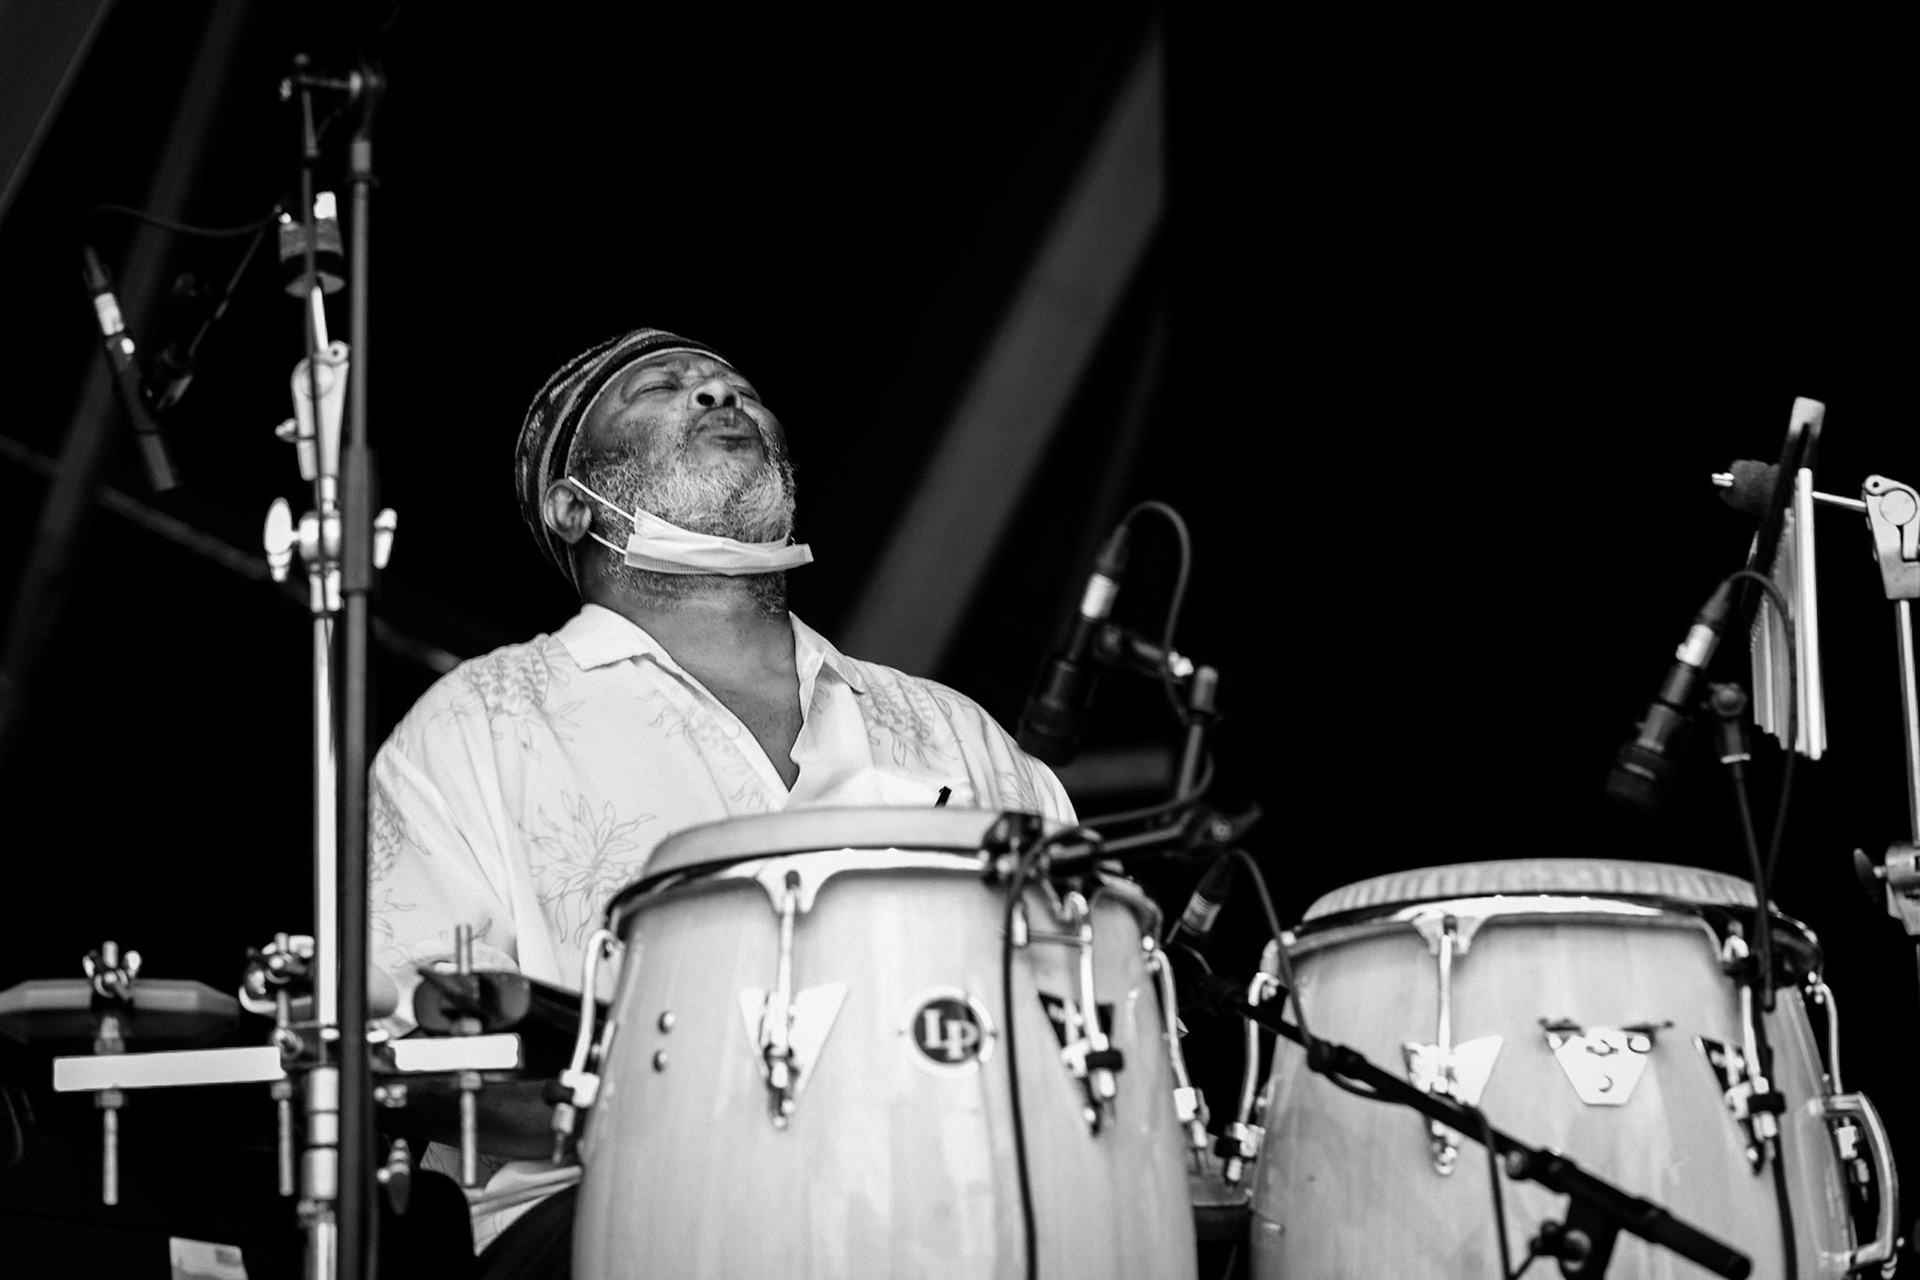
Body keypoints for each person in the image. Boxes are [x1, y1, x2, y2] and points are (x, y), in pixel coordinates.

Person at [369, 328, 1075, 1274]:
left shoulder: (956, 731)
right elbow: (400, 1049)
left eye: (732, 386)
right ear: (572, 508)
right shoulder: (482, 721)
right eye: (660, 389)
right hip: (605, 1214)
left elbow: (1090, 1005)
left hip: (960, 1202)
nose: (715, 396)